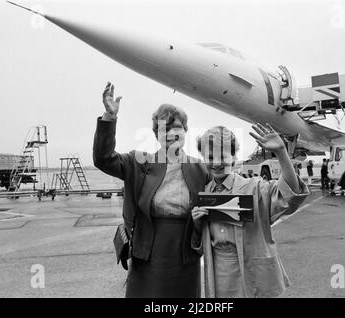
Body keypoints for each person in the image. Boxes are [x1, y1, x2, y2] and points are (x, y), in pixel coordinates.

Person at [93, 82, 210, 298]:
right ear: (156, 134)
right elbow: (103, 159)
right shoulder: (138, 162)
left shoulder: (201, 168)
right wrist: (110, 118)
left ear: (185, 131)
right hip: (148, 248)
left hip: (185, 248)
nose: (172, 133)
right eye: (165, 128)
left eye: (177, 127)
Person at [191, 124, 309, 298]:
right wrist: (197, 223)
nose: (216, 163)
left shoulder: (254, 187)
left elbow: (290, 195)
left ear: (233, 157)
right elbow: (200, 245)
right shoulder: (203, 194)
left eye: (222, 156)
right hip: (218, 274)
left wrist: (282, 153)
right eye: (210, 157)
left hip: (251, 271)